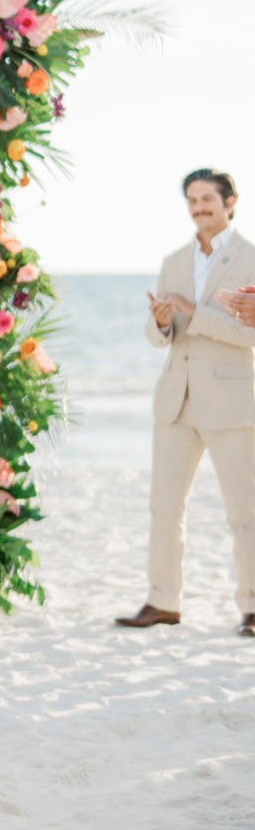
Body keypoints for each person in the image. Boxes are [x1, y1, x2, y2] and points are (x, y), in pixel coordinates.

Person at [117, 168, 255, 637]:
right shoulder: (173, 260)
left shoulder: (250, 258)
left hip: (233, 400)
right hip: (176, 400)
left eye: (208, 199)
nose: (199, 208)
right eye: (192, 200)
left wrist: (194, 312)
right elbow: (162, 338)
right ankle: (162, 602)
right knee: (164, 506)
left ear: (230, 201)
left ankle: (253, 606)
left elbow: (245, 333)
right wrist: (160, 323)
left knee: (245, 510)